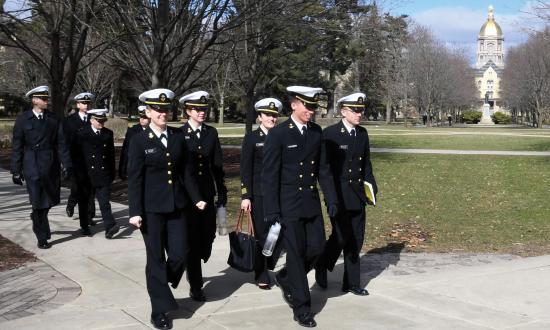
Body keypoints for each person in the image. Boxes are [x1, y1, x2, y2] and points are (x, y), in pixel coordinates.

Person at [128, 88, 205, 330]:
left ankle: (163, 281)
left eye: (165, 109)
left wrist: (196, 198)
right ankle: (159, 310)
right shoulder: (139, 140)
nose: (163, 113)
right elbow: (134, 178)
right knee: (155, 259)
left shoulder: (177, 137)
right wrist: (134, 211)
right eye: (158, 109)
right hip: (151, 209)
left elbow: (185, 173)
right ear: (148, 112)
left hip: (177, 205)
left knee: (180, 253)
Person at [262, 86, 337, 328]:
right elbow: (269, 175)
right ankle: (302, 307)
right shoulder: (279, 134)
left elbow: (323, 170)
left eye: (314, 106)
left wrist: (331, 199)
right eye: (307, 106)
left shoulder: (316, 132)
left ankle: (285, 277)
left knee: (316, 249)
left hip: (311, 203)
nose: (311, 111)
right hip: (288, 204)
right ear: (294, 105)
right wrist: (272, 210)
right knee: (295, 254)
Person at [315, 92, 378, 297]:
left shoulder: (362, 134)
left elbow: (365, 163)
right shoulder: (330, 134)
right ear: (343, 112)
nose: (359, 114)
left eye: (361, 110)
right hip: (338, 196)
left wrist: (371, 187)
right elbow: (324, 170)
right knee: (340, 237)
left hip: (357, 195)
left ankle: (351, 282)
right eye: (355, 110)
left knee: (356, 240)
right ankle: (322, 265)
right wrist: (329, 198)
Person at [179, 90, 227, 302]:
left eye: (204, 109)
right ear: (188, 111)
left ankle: (196, 263)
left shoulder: (211, 133)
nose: (202, 112)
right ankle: (196, 284)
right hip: (188, 196)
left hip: (207, 192)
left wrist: (222, 190)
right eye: (197, 109)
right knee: (192, 239)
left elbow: (216, 165)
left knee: (207, 236)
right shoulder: (179, 134)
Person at [10, 86, 72, 249]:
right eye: (43, 99)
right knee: (37, 201)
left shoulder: (53, 119)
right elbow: (17, 145)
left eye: (47, 98)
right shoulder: (23, 119)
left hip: (50, 163)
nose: (46, 101)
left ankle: (37, 218)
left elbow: (62, 144)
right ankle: (42, 235)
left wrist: (66, 164)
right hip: (32, 164)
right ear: (34, 100)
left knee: (51, 200)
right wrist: (16, 170)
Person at [240, 97, 282, 290]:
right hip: (259, 194)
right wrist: (245, 196)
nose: (271, 118)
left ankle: (269, 264)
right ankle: (261, 272)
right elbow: (245, 169)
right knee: (262, 234)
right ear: (259, 117)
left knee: (278, 234)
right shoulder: (252, 139)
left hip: (281, 193)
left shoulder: (282, 136)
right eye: (267, 115)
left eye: (274, 115)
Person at [77, 109, 119, 239]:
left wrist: (112, 173)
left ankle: (110, 226)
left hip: (103, 173)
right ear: (91, 120)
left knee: (104, 202)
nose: (101, 123)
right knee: (86, 202)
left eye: (103, 121)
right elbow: (77, 155)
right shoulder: (82, 133)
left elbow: (111, 155)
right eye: (99, 121)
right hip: (87, 174)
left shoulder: (108, 134)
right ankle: (85, 225)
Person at [63, 92, 97, 231]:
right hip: (76, 161)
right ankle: (71, 204)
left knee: (91, 189)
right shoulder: (70, 121)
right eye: (83, 103)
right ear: (77, 105)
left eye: (88, 103)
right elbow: (65, 142)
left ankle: (88, 217)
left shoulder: (94, 119)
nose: (86, 105)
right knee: (78, 188)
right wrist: (66, 162)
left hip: (91, 161)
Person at [119, 105, 150, 180]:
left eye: (145, 117)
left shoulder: (156, 130)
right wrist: (123, 170)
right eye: (141, 117)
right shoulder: (132, 131)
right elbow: (126, 151)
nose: (142, 119)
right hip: (136, 169)